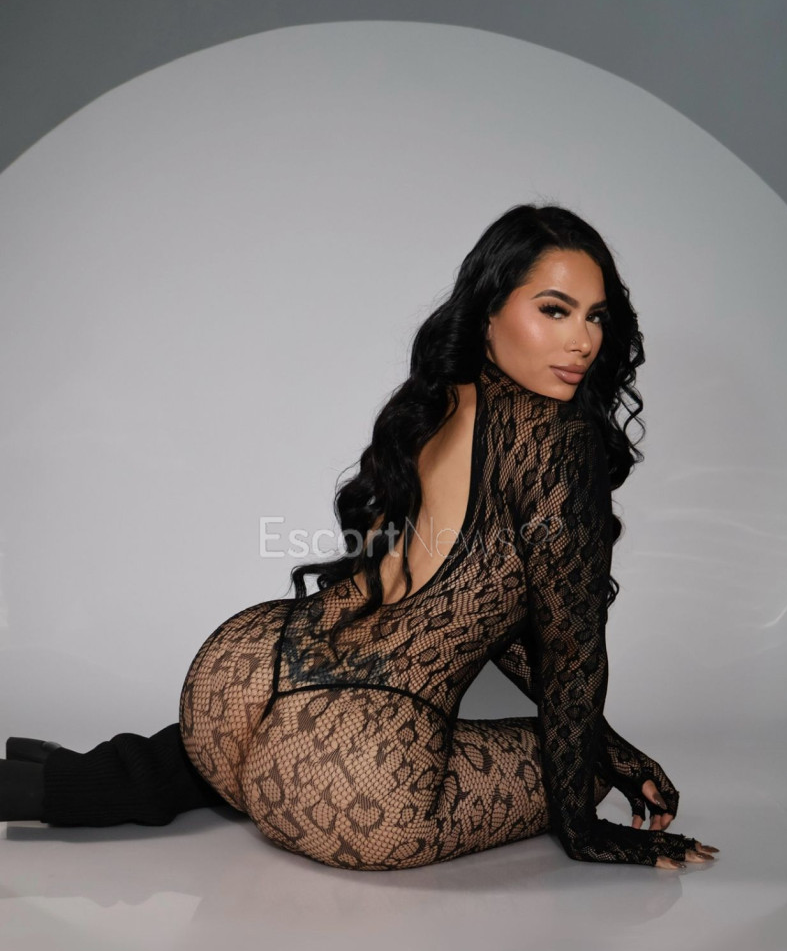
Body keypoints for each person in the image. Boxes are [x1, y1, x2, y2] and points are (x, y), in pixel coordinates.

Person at [1, 203, 718, 871]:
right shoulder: (558, 439)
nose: (583, 341)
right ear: (490, 310)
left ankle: (58, 782)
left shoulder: (434, 399)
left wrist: (613, 744)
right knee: (580, 764)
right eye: (554, 310)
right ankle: (133, 778)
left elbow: (482, 607)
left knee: (272, 737)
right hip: (353, 762)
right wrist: (587, 824)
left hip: (246, 672)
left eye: (595, 316)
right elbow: (569, 655)